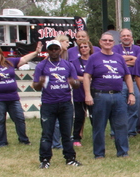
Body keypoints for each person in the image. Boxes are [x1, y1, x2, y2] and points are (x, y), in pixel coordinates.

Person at [83, 33, 135, 158]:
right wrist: (88, 95)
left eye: (110, 40)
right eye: (105, 40)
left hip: (118, 95)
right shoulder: (94, 58)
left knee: (121, 125)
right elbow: (86, 76)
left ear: (113, 43)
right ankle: (99, 153)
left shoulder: (119, 58)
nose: (107, 42)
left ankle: (123, 152)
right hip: (100, 96)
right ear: (100, 42)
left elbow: (127, 76)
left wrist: (131, 93)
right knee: (99, 126)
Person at [32, 40, 82, 168]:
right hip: (49, 104)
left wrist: (73, 82)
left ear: (60, 50)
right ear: (47, 50)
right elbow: (36, 86)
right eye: (51, 49)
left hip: (65, 103)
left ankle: (70, 158)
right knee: (47, 133)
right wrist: (40, 83)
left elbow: (76, 84)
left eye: (56, 49)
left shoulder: (68, 65)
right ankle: (44, 160)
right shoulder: (41, 66)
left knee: (67, 133)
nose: (54, 51)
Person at [112, 28, 140, 137]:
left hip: (135, 81)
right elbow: (115, 60)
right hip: (119, 82)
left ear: (132, 38)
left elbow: (139, 62)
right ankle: (116, 131)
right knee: (118, 107)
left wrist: (123, 61)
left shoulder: (138, 48)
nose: (126, 37)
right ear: (120, 38)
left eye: (128, 35)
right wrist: (130, 58)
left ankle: (130, 131)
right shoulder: (115, 48)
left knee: (134, 107)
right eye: (124, 36)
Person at [69, 40, 94, 147]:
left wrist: (85, 79)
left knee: (95, 116)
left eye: (85, 46)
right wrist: (87, 78)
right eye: (81, 47)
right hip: (79, 92)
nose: (83, 49)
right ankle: (76, 137)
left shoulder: (94, 60)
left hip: (93, 92)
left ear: (89, 48)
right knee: (79, 116)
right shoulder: (74, 62)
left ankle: (97, 136)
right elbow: (73, 77)